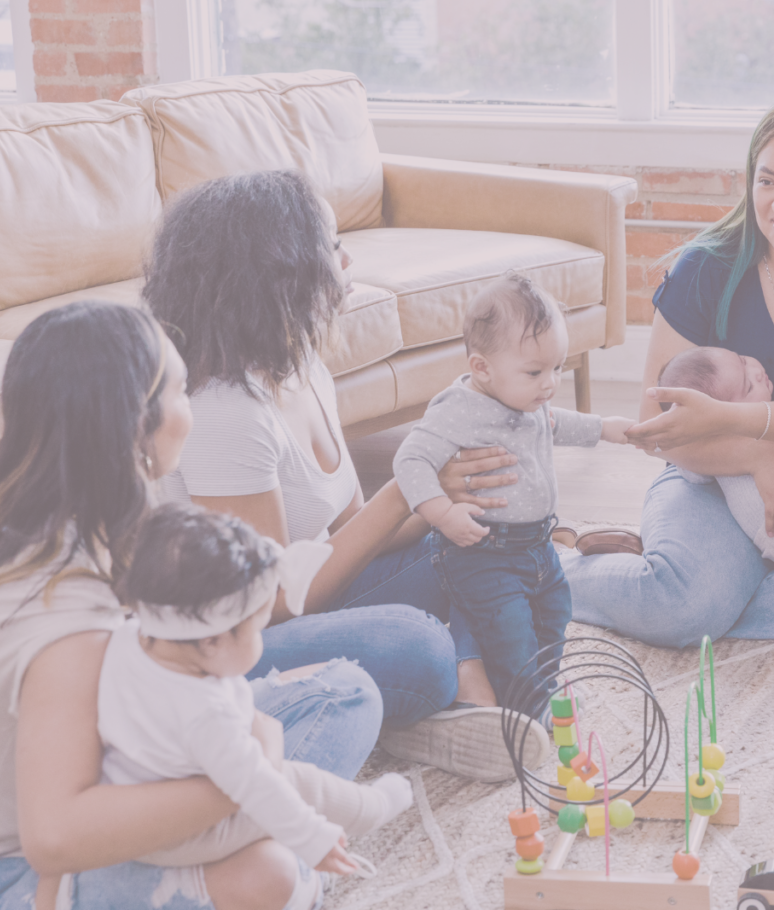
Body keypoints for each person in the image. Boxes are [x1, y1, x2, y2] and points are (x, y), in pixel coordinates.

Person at [145, 170, 550, 781]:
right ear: (281, 270)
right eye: (332, 244)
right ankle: (423, 697)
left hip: (318, 603)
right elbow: (271, 605)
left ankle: (452, 702)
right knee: (418, 647)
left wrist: (441, 493)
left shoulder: (302, 366)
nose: (348, 256)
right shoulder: (224, 410)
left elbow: (347, 533)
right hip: (232, 646)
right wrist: (401, 493)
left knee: (493, 538)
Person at [0, 301, 383, 910]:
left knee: (345, 691)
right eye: (181, 389)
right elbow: (54, 837)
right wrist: (242, 778)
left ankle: (280, 823)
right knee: (269, 874)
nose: (192, 410)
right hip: (18, 870)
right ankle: (291, 843)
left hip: (125, 752)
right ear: (134, 425)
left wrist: (249, 748)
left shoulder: (52, 520)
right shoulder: (69, 616)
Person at [563, 95, 774, 646]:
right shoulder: (708, 267)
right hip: (713, 475)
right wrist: (761, 454)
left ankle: (712, 592)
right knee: (681, 607)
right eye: (766, 181)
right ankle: (539, 570)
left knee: (703, 601)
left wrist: (744, 421)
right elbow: (655, 421)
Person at [96, 504, 412, 889]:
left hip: (132, 814)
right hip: (184, 839)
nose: (260, 640)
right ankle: (366, 812)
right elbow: (259, 785)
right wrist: (313, 839)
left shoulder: (130, 639)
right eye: (256, 630)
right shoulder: (207, 713)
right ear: (212, 639)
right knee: (297, 782)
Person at [392, 273, 633, 712]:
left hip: (539, 547)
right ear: (482, 367)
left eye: (558, 368)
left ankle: (539, 690)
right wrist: (442, 514)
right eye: (536, 371)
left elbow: (558, 421)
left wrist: (607, 429)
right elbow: (410, 460)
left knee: (554, 618)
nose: (550, 383)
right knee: (510, 633)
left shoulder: (529, 399)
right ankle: (525, 713)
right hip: (485, 554)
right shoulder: (460, 409)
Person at [656, 346, 774, 568]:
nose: (757, 372)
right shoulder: (741, 443)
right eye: (749, 387)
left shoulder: (707, 462)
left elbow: (692, 472)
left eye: (742, 360)